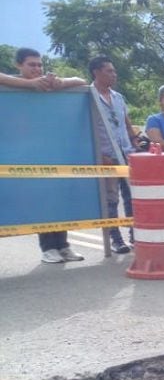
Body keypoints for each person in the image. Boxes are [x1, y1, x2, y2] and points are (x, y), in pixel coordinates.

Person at [1, 49, 87, 264]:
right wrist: (29, 84)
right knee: (41, 200)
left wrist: (61, 83)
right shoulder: (11, 84)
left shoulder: (47, 84)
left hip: (53, 151)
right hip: (22, 154)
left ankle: (63, 245)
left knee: (58, 197)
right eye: (32, 65)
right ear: (19, 65)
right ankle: (48, 248)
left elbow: (81, 80)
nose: (37, 69)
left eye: (40, 65)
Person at [89, 56, 136, 255]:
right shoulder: (89, 96)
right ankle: (115, 239)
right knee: (110, 199)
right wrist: (100, 153)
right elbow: (88, 128)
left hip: (126, 152)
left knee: (132, 196)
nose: (113, 74)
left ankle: (136, 234)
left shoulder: (118, 97)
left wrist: (135, 141)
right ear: (96, 72)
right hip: (107, 155)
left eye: (114, 71)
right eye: (109, 71)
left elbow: (125, 120)